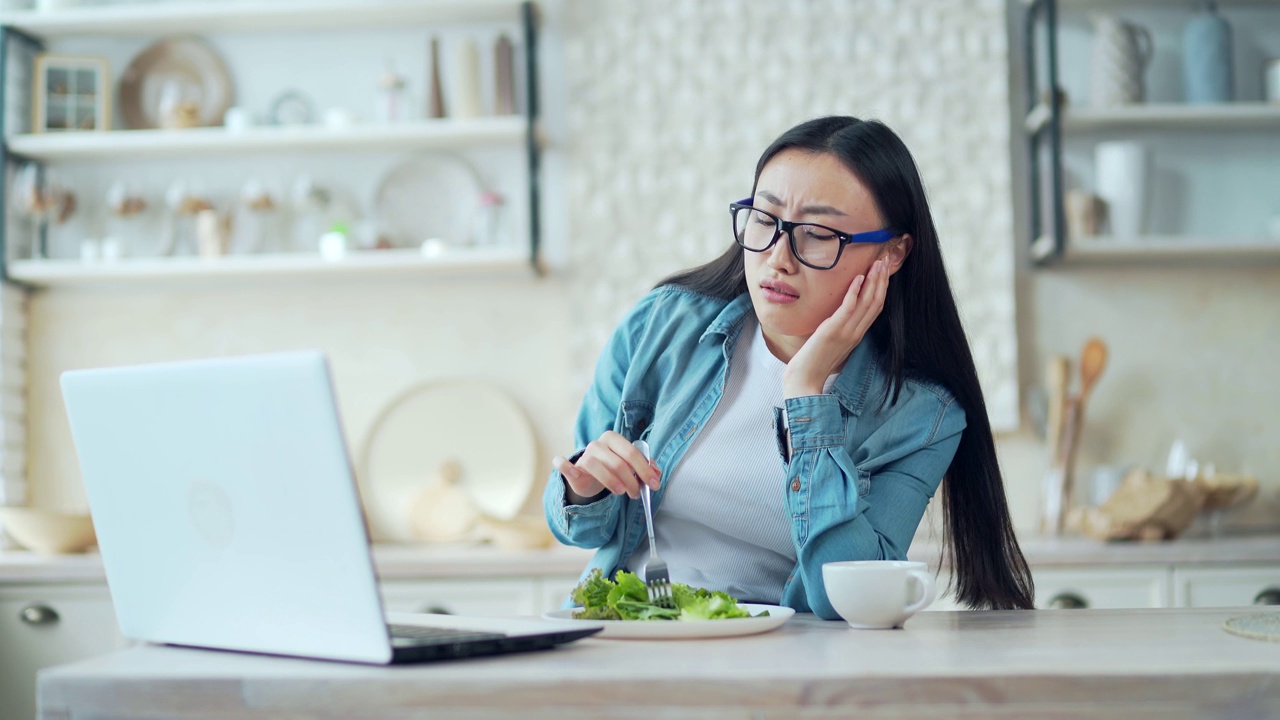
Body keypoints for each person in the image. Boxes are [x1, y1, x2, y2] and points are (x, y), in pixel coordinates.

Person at [543, 116, 1034, 618]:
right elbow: (581, 529)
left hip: (785, 665)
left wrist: (805, 392)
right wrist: (586, 489)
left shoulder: (923, 414)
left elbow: (847, 602)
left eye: (818, 233)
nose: (778, 258)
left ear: (892, 254)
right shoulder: (662, 325)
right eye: (763, 218)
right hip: (632, 633)